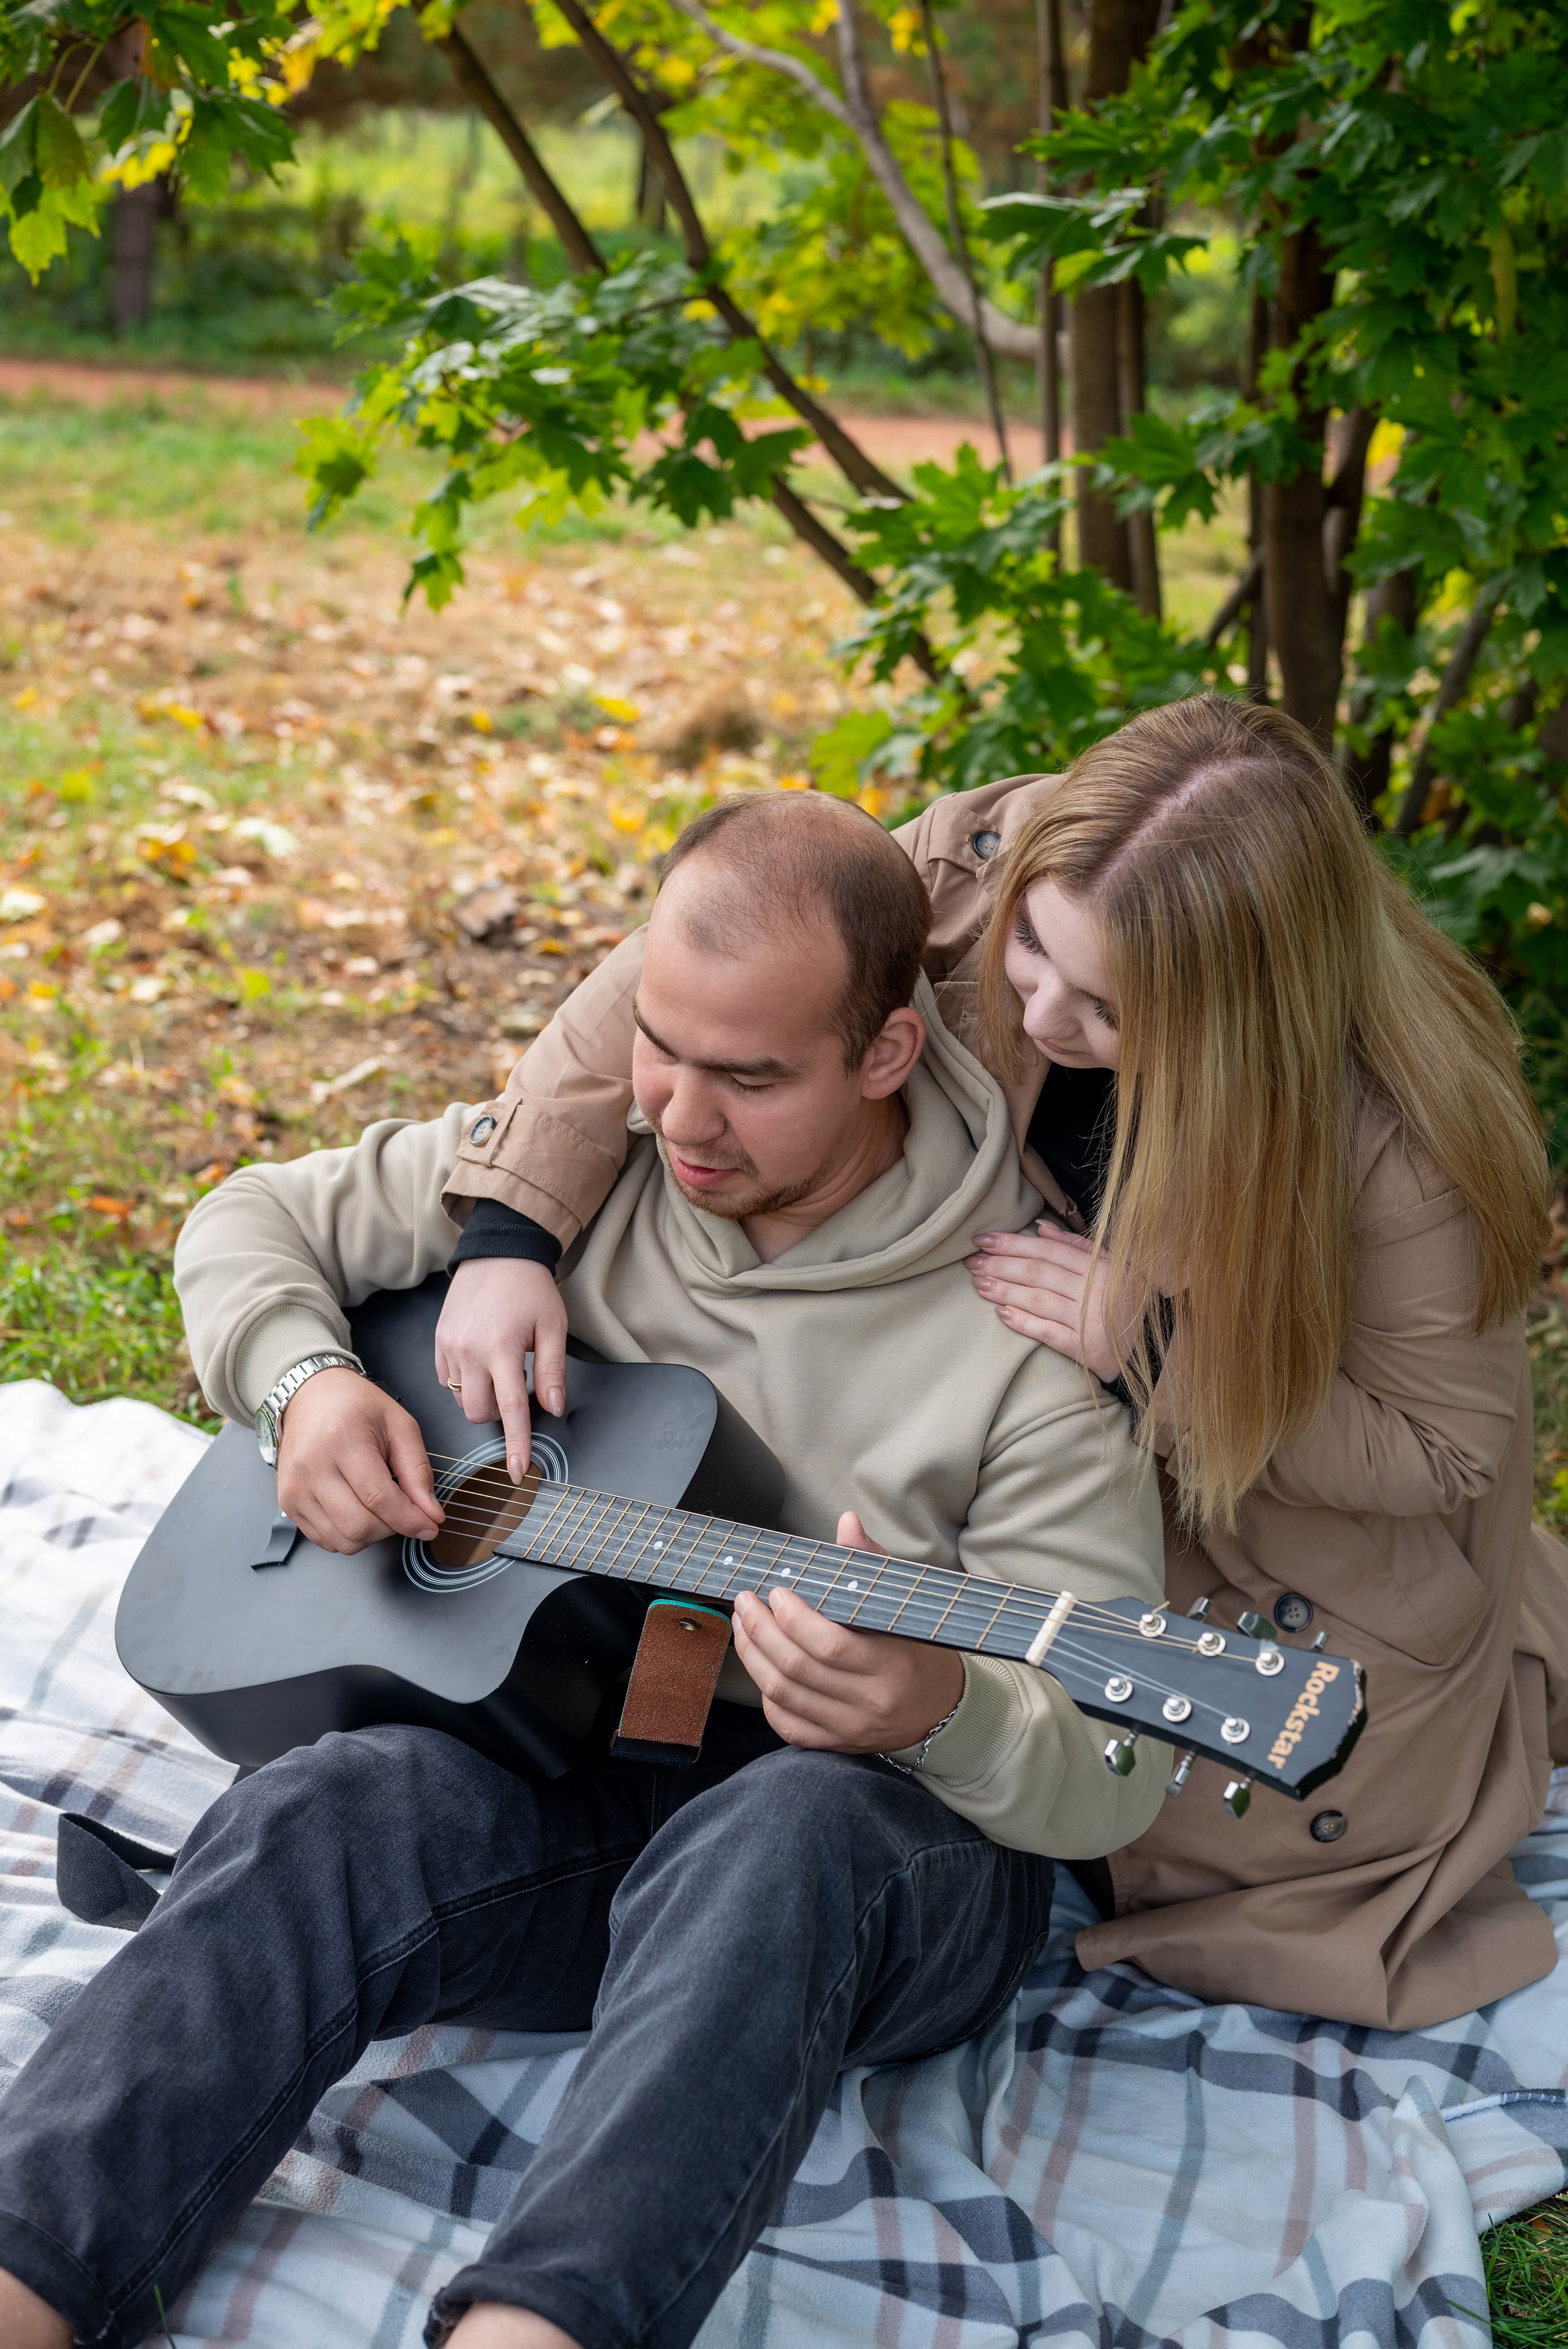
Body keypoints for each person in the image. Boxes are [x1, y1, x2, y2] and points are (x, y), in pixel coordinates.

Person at [0, 791, 1168, 2349]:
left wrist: (934, 1702)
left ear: (885, 1054)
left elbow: (1112, 1756)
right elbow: (251, 1217)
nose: (681, 1116)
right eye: (659, 1047)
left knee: (783, 1828)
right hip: (584, 1771)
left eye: (749, 1078)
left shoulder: (1014, 1340)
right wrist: (304, 1387)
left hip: (877, 1853)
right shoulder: (581, 1173)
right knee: (330, 1802)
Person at [434, 695, 1568, 2031]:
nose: (1032, 1009)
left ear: (1243, 1012)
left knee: (1141, 1789)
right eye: (1030, 949)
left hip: (1257, 1537)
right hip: (1026, 1477)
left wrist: (1155, 1348)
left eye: (1105, 1004)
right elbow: (669, 970)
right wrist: (510, 1230)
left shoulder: (1399, 1142)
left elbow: (1441, 1453)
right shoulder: (978, 862)